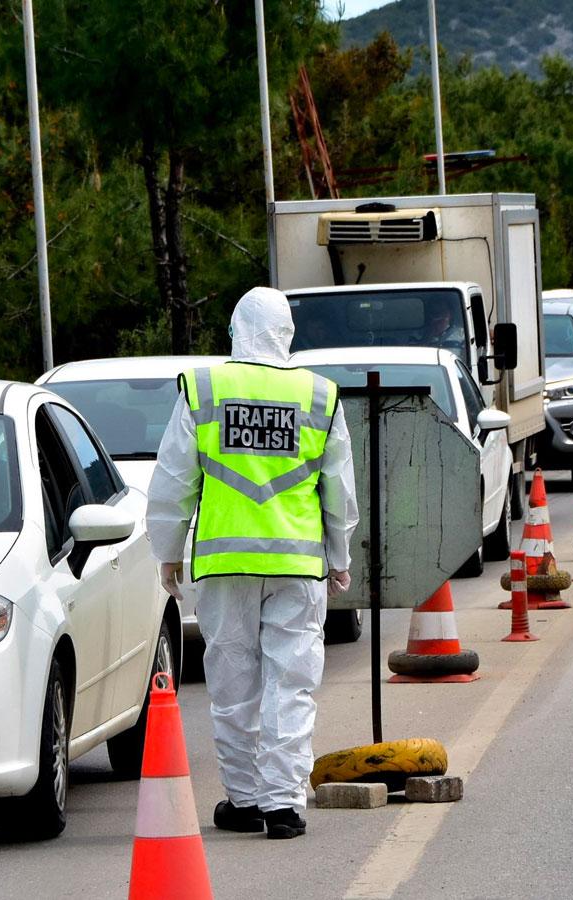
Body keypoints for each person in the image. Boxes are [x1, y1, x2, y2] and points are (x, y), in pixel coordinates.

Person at [146, 287, 359, 840]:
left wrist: (168, 551)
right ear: (288, 333)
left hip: (225, 565)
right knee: (292, 682)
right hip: (296, 564)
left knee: (233, 684)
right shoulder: (318, 395)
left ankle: (244, 801)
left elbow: (173, 479)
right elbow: (337, 488)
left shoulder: (205, 389)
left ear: (235, 330)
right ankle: (284, 806)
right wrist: (339, 556)